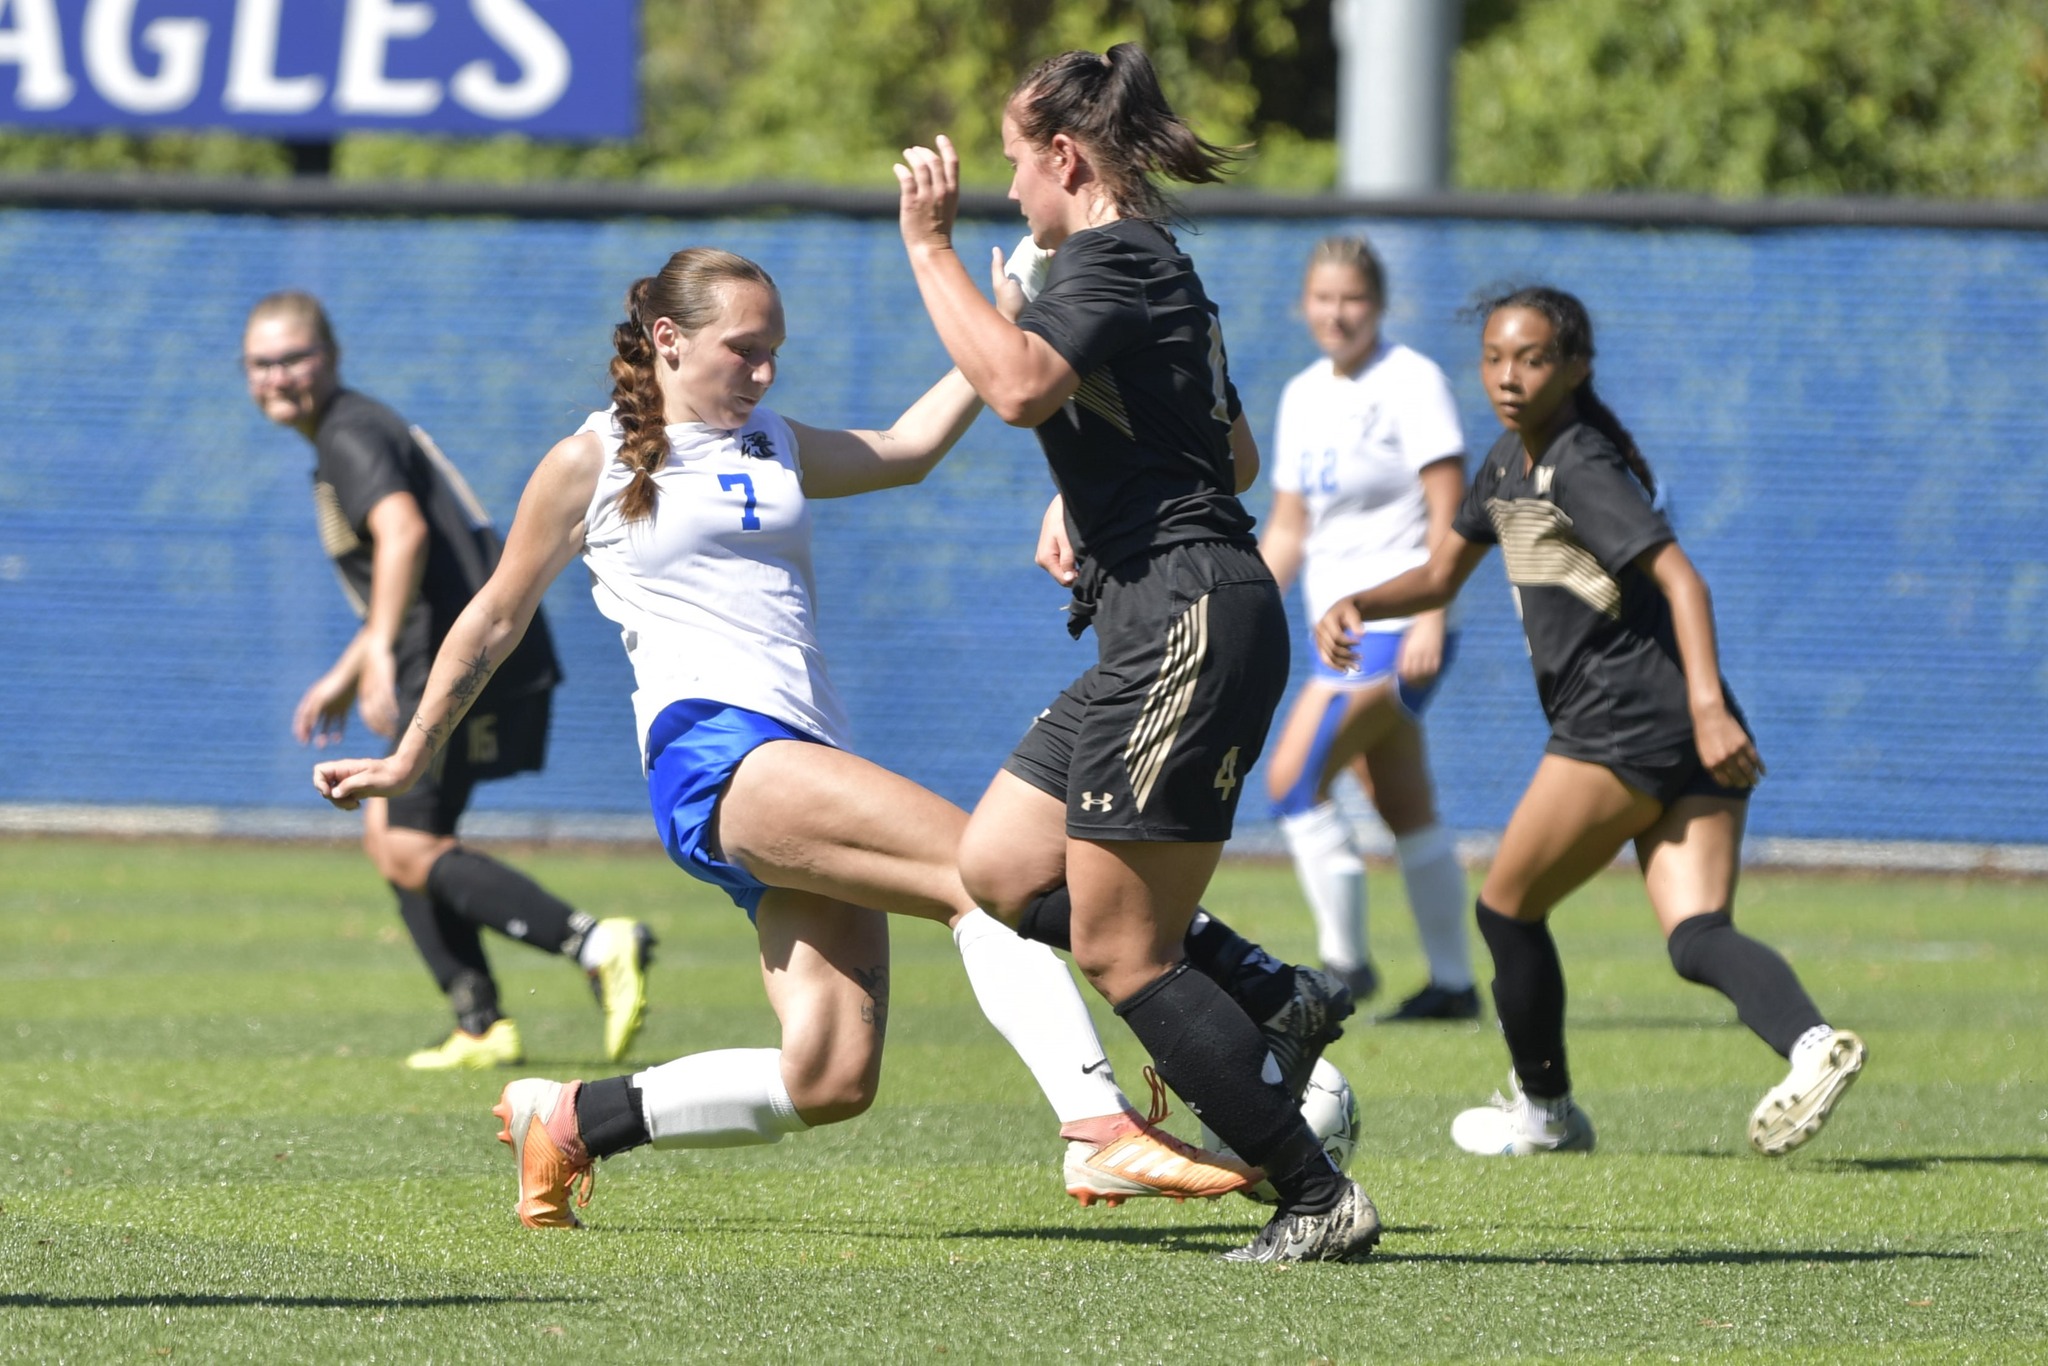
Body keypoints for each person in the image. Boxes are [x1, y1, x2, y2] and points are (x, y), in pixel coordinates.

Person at [313, 247, 1274, 1231]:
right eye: (744, 350)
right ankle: (1096, 1124)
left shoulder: (769, 439)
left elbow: (905, 447)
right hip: (717, 755)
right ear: (667, 341)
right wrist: (410, 755)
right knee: (986, 877)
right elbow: (493, 615)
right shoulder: (589, 458)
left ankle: (567, 1117)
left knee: (829, 1075)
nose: (763, 372)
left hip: (798, 756)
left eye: (774, 352)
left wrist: (1004, 329)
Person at [894, 44, 1381, 1263]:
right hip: (1163, 610)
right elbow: (1233, 460)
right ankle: (1265, 992)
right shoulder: (1151, 268)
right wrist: (1096, 492)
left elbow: (1010, 387)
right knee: (1000, 866)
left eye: (1017, 163)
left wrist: (928, 250)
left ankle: (1313, 1193)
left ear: (1065, 157)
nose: (1011, 189)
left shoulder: (1110, 257)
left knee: (1120, 950)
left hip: (1183, 618)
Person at [1316, 284, 1866, 1157]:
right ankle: (1810, 1047)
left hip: (1631, 720)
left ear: (1574, 367)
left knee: (1506, 909)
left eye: (1532, 358)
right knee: (1697, 936)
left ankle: (1546, 1115)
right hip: (1681, 724)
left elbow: (1684, 581)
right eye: (1495, 356)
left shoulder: (1578, 460)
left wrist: (1708, 707)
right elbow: (1436, 577)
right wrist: (1360, 601)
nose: (1508, 375)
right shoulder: (1508, 463)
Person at [243, 291, 654, 1071]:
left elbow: (404, 534)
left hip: (463, 665)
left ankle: (597, 944)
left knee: (403, 840)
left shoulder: (347, 433)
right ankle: (480, 1022)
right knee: (390, 832)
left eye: (295, 357)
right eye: (263, 363)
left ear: (329, 357)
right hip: (471, 656)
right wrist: (354, 664)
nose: (279, 376)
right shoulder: (353, 427)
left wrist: (378, 659)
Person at [1259, 235, 1479, 1020]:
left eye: (1352, 298)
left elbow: (1453, 515)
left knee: (1291, 777)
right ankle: (1454, 986)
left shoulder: (1412, 381)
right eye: (1323, 298)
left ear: (1378, 305)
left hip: (1398, 628)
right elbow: (1289, 528)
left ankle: (1344, 970)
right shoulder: (1302, 395)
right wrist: (1241, 604)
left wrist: (1432, 612)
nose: (1337, 313)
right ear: (1304, 305)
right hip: (1337, 637)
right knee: (1403, 804)